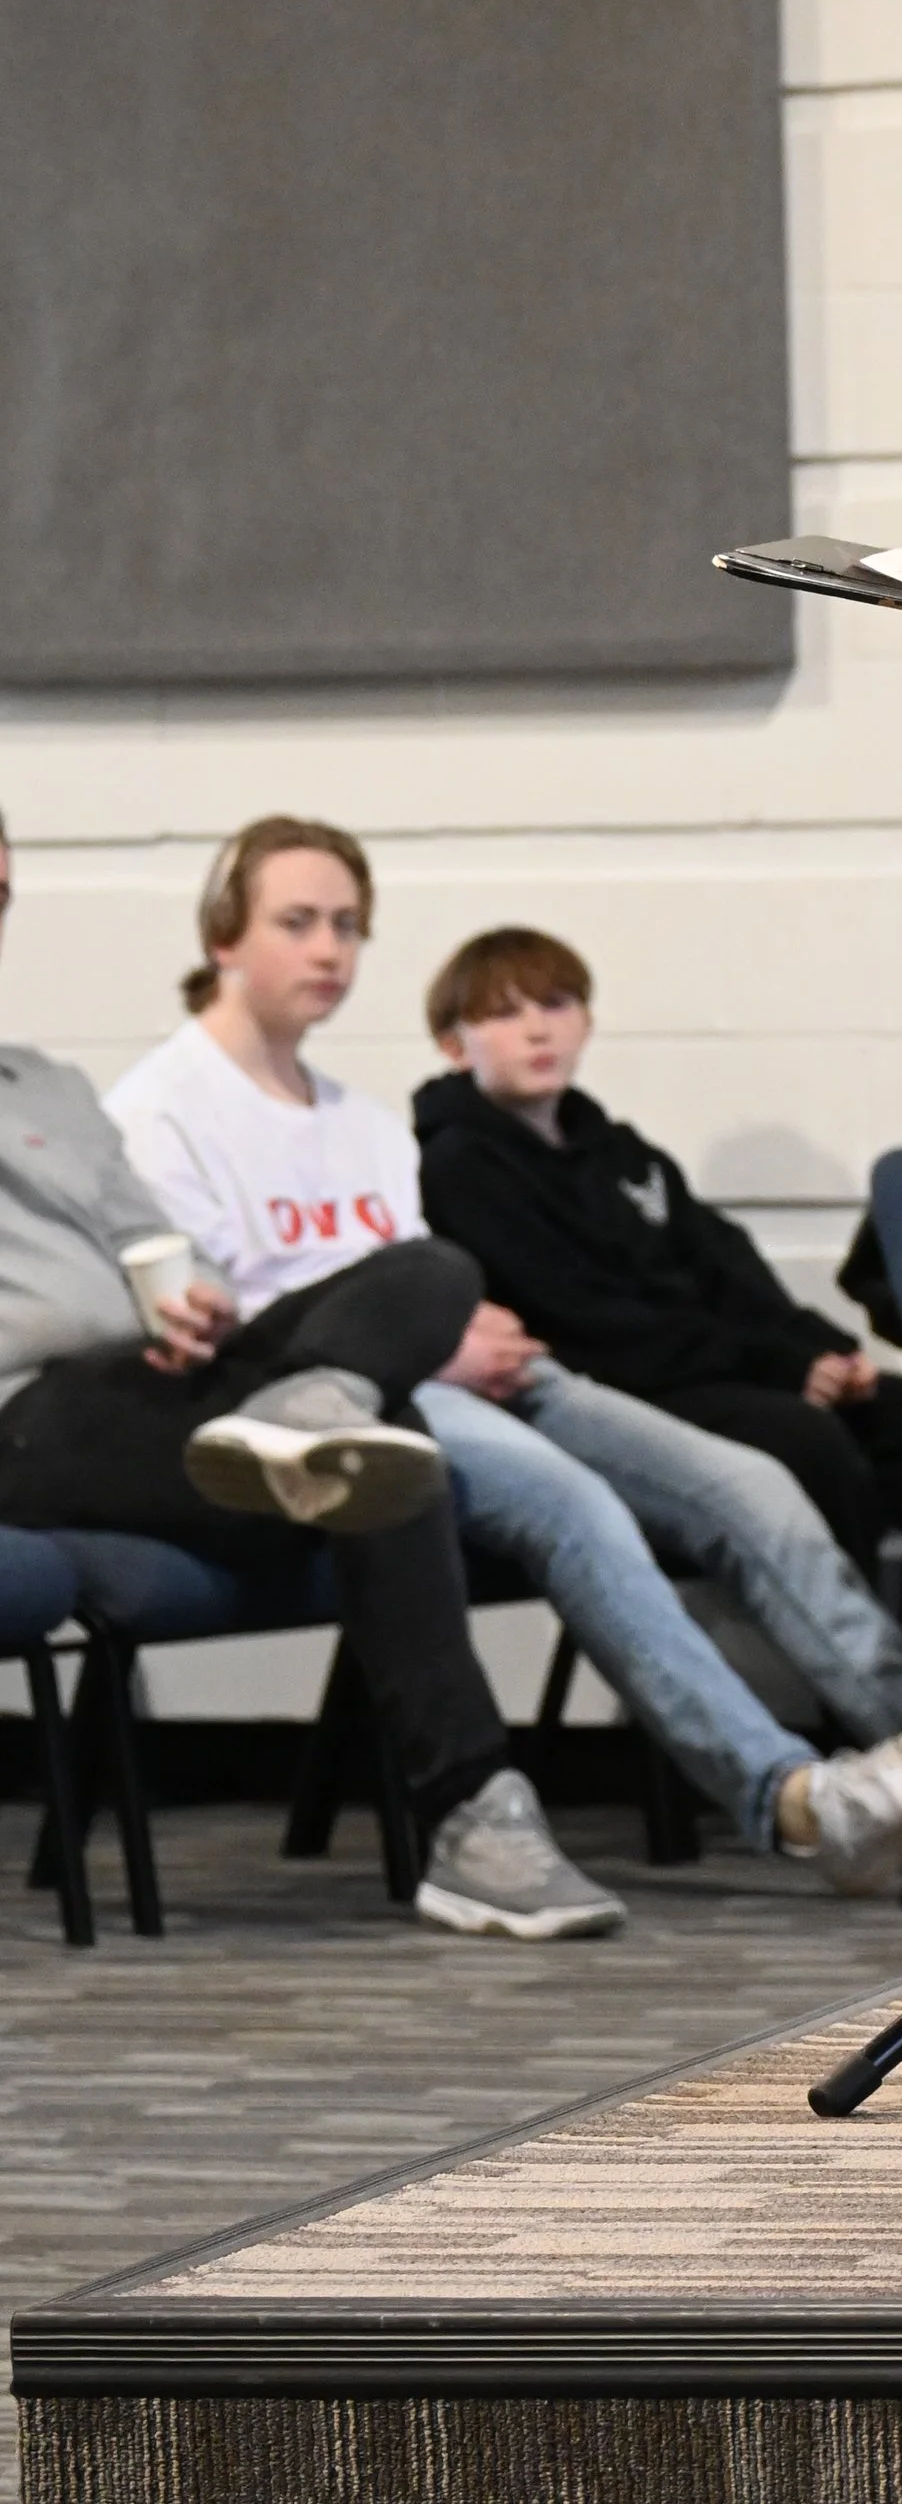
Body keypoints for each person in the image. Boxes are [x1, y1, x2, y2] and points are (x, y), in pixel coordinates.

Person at [108, 820, 902, 1893]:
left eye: (349, 926)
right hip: (359, 1399)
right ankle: (800, 1799)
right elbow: (224, 1327)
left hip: (474, 1368)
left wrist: (466, 1332)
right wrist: (436, 1344)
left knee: (750, 1482)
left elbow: (420, 1269)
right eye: (297, 923)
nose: (330, 952)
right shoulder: (161, 1109)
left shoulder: (360, 1121)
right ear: (225, 937)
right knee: (577, 1505)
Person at [0, 806, 621, 1941]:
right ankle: (473, 1806)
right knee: (381, 1452)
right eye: (301, 922)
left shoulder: (50, 1086)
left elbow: (158, 1248)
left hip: (156, 1377)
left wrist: (184, 1300)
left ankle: (307, 1405)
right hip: (27, 1415)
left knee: (428, 1277)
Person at [412, 925, 902, 1702]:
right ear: (453, 1044)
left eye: (556, 1004)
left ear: (587, 1021)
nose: (535, 1028)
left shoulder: (625, 1154)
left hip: (711, 1368)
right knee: (809, 1443)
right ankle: (867, 1719)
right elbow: (586, 1319)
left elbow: (726, 1272)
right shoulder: (459, 1163)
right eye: (503, 1013)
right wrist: (782, 1369)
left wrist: (820, 1352)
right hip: (618, 1392)